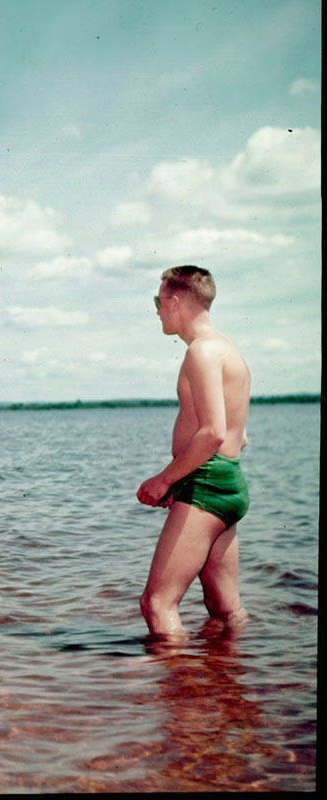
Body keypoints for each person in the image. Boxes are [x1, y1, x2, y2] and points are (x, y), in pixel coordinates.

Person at [137, 266, 251, 636]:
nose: (156, 311)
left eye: (158, 302)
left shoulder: (201, 353)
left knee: (157, 603)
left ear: (174, 302)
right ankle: (228, 684)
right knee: (224, 607)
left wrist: (164, 479)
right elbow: (240, 437)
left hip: (205, 485)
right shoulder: (229, 351)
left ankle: (179, 688)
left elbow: (213, 433)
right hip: (228, 484)